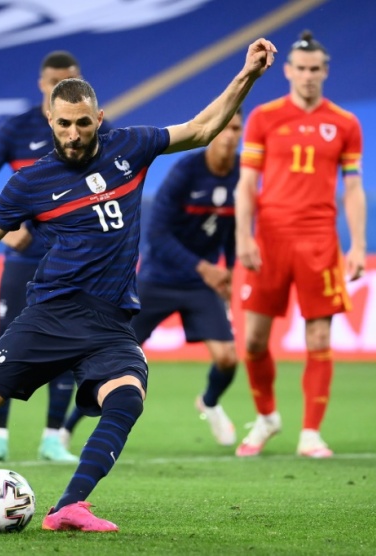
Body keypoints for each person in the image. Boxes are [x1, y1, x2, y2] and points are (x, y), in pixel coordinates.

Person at [0, 37, 277, 532]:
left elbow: (202, 128)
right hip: (51, 315)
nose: (73, 134)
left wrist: (248, 74)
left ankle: (68, 507)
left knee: (127, 396)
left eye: (83, 123)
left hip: (110, 321)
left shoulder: (130, 147)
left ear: (99, 118)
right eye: (64, 124)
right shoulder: (30, 182)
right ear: (50, 121)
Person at [0, 51, 111, 464]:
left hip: (73, 261)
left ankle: (52, 439)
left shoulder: (94, 128)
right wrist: (5, 229)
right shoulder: (18, 128)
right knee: (7, 342)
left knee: (68, 342)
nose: (60, 87)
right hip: (24, 259)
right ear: (42, 86)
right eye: (54, 82)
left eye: (70, 79)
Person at [233, 31, 366, 458]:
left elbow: (353, 188)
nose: (308, 76)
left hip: (319, 240)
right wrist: (243, 235)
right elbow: (247, 183)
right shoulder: (263, 117)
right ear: (288, 71)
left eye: (315, 69)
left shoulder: (345, 123)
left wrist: (358, 245)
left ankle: (311, 433)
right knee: (254, 341)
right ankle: (267, 417)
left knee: (319, 337)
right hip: (270, 239)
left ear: (325, 72)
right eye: (301, 69)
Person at [131, 109, 244, 447]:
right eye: (224, 128)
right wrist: (205, 268)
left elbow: (234, 229)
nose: (230, 136)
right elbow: (157, 235)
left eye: (236, 129)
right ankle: (67, 428)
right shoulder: (186, 171)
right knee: (118, 354)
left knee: (228, 358)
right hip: (159, 278)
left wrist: (230, 271)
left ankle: (209, 402)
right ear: (213, 131)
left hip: (200, 285)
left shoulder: (243, 173)